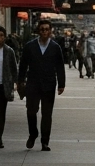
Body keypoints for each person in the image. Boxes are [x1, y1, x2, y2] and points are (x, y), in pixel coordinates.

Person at [17, 19, 66, 151]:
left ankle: (45, 141)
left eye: (47, 29)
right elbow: (23, 65)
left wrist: (61, 84)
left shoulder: (55, 47)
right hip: (33, 83)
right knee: (31, 111)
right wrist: (20, 81)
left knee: (47, 114)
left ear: (50, 31)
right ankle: (33, 134)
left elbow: (60, 67)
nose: (44, 32)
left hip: (49, 84)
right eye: (42, 29)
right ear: (38, 31)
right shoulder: (30, 46)